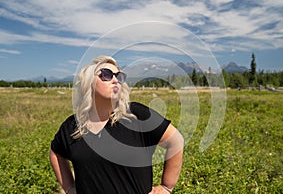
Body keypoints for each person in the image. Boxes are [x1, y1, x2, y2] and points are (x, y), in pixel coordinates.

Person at [50, 56, 184, 194]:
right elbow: (56, 152)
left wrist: (166, 187)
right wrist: (70, 188)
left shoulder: (137, 115)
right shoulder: (73, 126)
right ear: (88, 82)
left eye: (119, 76)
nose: (115, 80)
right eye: (106, 75)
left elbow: (176, 141)